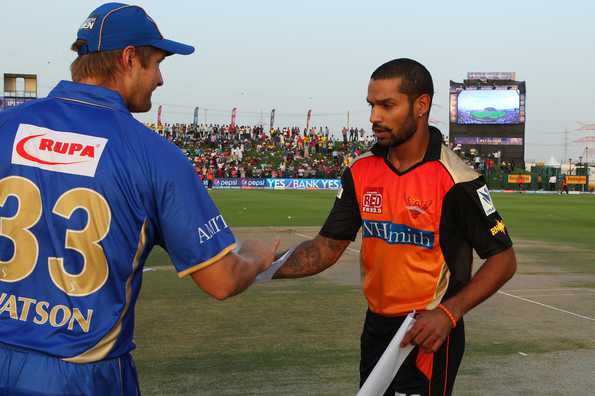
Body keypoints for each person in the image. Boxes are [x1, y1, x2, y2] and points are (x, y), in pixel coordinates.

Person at [0, 3, 276, 395]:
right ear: (129, 58)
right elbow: (221, 281)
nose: (161, 79)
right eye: (157, 63)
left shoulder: (6, 125)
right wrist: (256, 256)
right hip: (82, 371)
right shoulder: (154, 155)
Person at [269, 59, 517, 395]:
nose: (374, 117)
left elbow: (503, 259)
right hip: (376, 328)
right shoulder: (360, 171)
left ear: (421, 105)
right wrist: (263, 266)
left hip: (427, 331)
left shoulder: (456, 179)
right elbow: (326, 247)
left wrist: (448, 313)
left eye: (387, 105)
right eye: (372, 105)